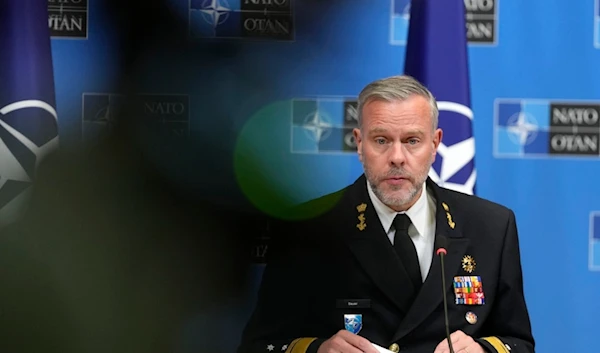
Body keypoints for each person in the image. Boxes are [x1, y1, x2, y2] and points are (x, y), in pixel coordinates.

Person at [237, 75, 535, 353]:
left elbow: (519, 342)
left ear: (435, 144)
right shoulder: (307, 228)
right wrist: (318, 349)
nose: (396, 157)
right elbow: (259, 345)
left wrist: (483, 350)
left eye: (412, 141)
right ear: (359, 143)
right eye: (381, 140)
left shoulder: (491, 227)